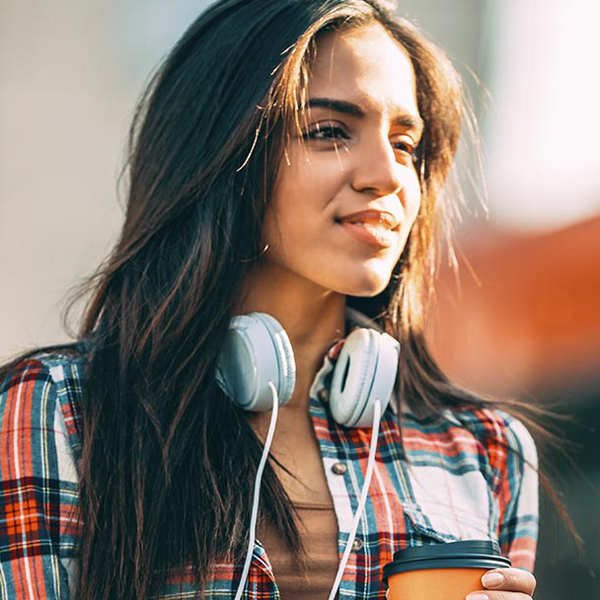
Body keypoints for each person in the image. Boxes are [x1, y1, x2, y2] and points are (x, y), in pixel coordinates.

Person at [0, 1, 539, 599]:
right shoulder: (61, 412)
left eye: (406, 143)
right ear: (224, 154)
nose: (387, 174)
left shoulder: (487, 450)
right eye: (330, 131)